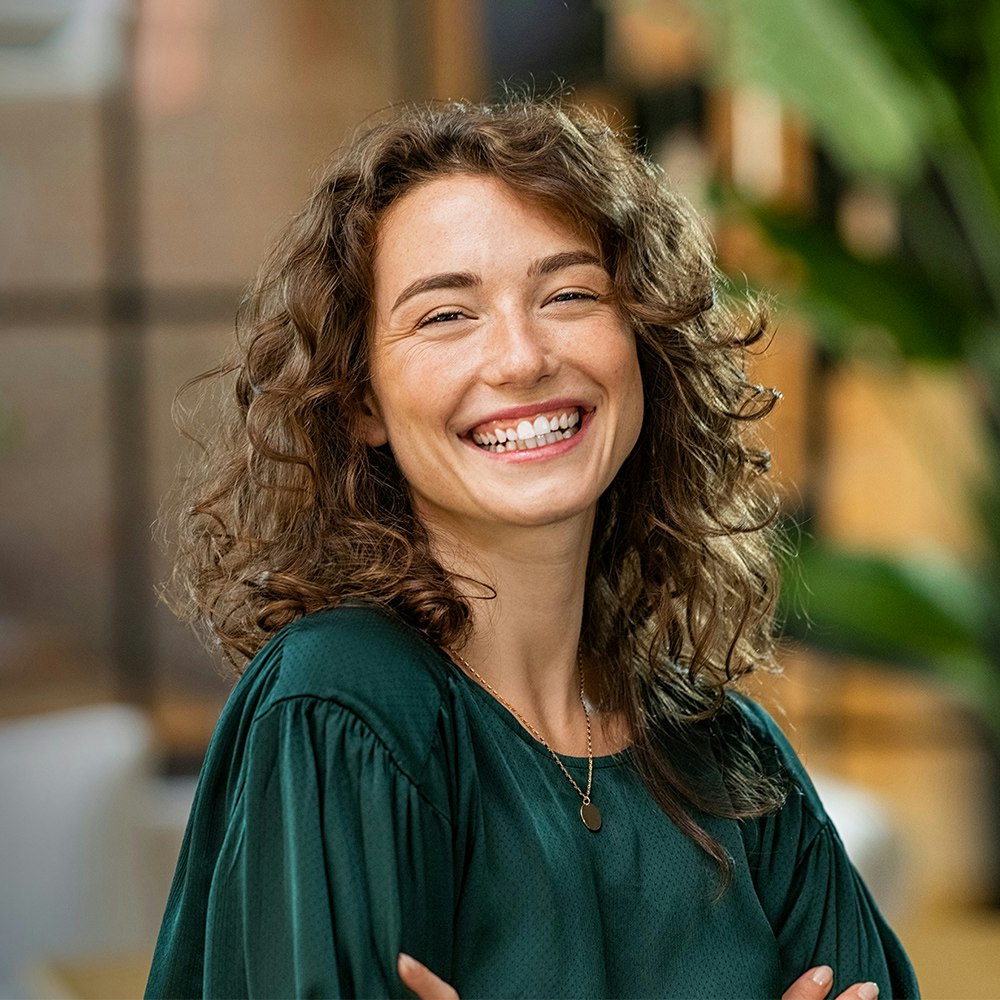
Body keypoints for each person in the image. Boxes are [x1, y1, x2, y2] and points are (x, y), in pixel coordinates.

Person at [145, 97, 919, 999]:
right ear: (360, 401)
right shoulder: (341, 707)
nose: (520, 358)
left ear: (643, 343)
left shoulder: (726, 754)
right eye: (445, 316)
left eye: (569, 295)